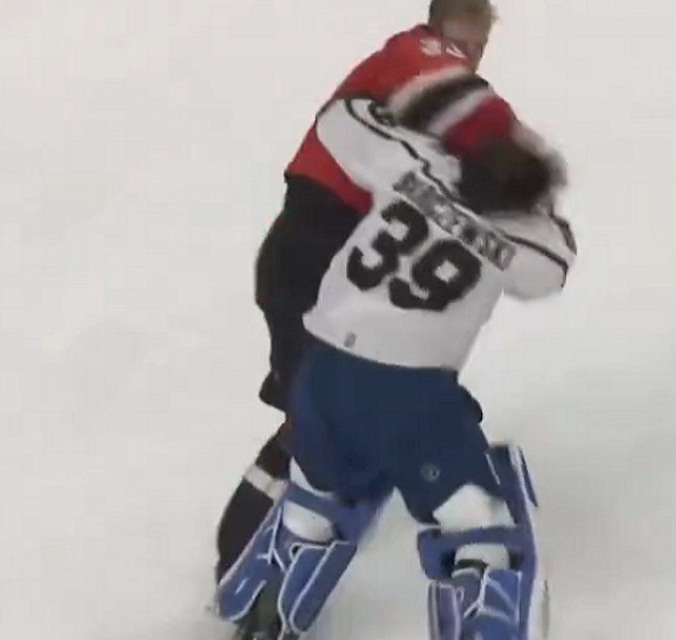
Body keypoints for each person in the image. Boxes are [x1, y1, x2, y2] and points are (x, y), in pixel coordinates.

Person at [215, 0, 551, 581]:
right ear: (444, 22)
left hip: (318, 260)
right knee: (317, 418)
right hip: (316, 253)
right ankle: (248, 564)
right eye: (468, 38)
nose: (472, 54)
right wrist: (522, 169)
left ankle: (281, 544)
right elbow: (468, 111)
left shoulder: (420, 85)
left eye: (481, 44)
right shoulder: (422, 55)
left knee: (334, 406)